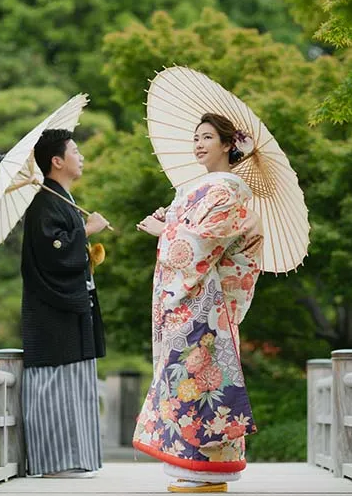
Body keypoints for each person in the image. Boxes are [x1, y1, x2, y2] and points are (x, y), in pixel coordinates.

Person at [134, 113, 264, 493]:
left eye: (208, 137)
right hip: (190, 303)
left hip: (206, 306)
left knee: (201, 382)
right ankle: (193, 467)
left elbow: (205, 242)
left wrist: (166, 230)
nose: (199, 144)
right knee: (183, 382)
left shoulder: (229, 192)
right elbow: (189, 231)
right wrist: (171, 216)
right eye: (196, 138)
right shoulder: (200, 190)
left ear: (227, 145)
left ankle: (207, 468)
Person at [19, 128, 110, 478]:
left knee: (75, 386)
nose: (81, 156)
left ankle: (74, 460)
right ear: (56, 161)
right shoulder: (44, 202)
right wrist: (86, 231)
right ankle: (55, 463)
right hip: (52, 313)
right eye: (75, 150)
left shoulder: (60, 200)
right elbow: (53, 253)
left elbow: (66, 250)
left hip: (71, 308)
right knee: (54, 386)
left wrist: (84, 242)